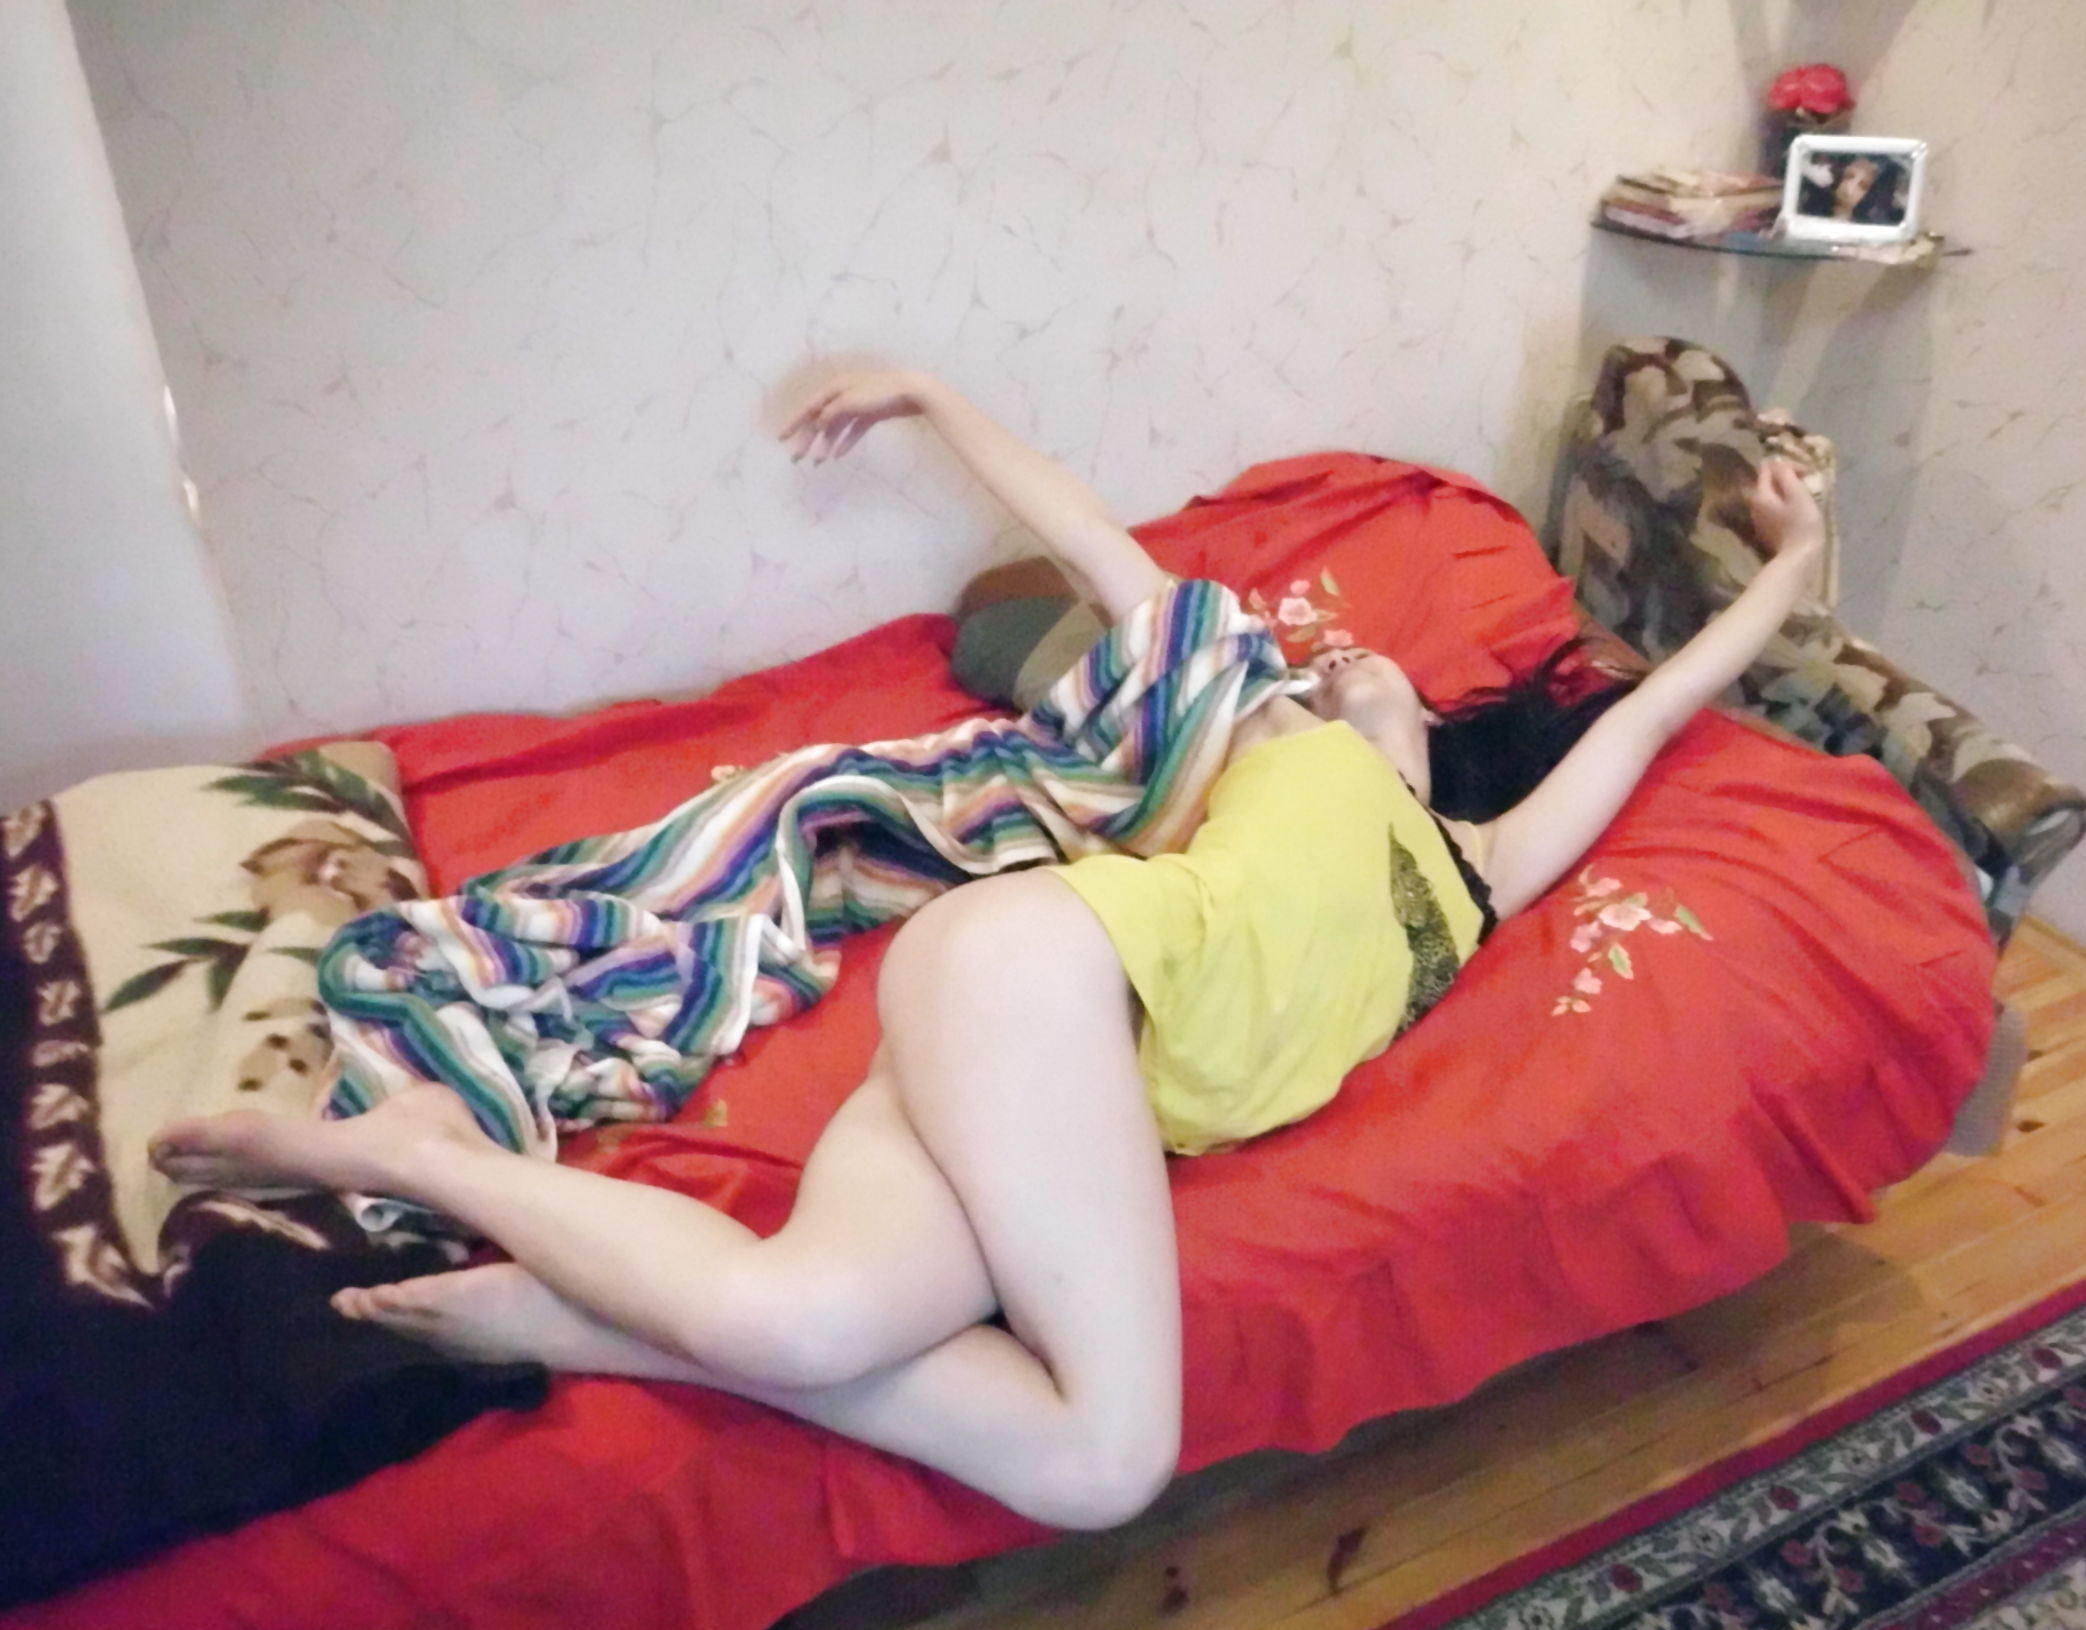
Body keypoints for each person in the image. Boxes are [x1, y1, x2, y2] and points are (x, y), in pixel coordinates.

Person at [152, 370, 1827, 1530]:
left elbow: (1654, 708)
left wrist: (1796, 566)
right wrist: (927, 397)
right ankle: (529, 1246)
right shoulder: (1255, 708)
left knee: (799, 1324)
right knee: (1108, 1460)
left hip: (1044, 1076)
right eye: (1336, 667)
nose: (1347, 669)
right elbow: (1097, 546)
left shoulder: (1483, 866)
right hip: (1047, 979)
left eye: (1369, 673)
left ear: (1444, 732)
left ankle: (449, 1178)